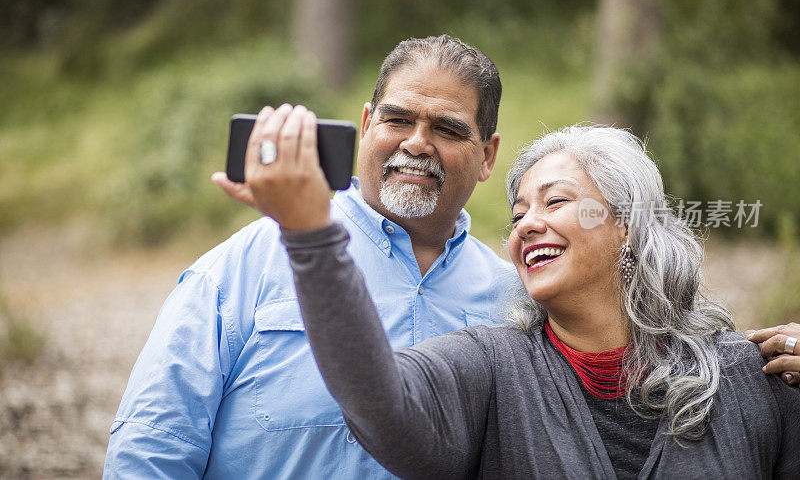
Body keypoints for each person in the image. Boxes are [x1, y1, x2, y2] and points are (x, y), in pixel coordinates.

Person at [245, 120, 800, 479]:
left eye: (556, 202)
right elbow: (378, 400)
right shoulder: (489, 368)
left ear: (629, 226)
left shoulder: (753, 376)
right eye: (517, 216)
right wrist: (311, 235)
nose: (528, 226)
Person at [103, 36, 512, 478]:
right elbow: (153, 446)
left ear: (487, 156)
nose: (416, 143)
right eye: (398, 120)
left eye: (447, 129)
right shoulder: (242, 266)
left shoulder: (514, 301)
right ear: (367, 122)